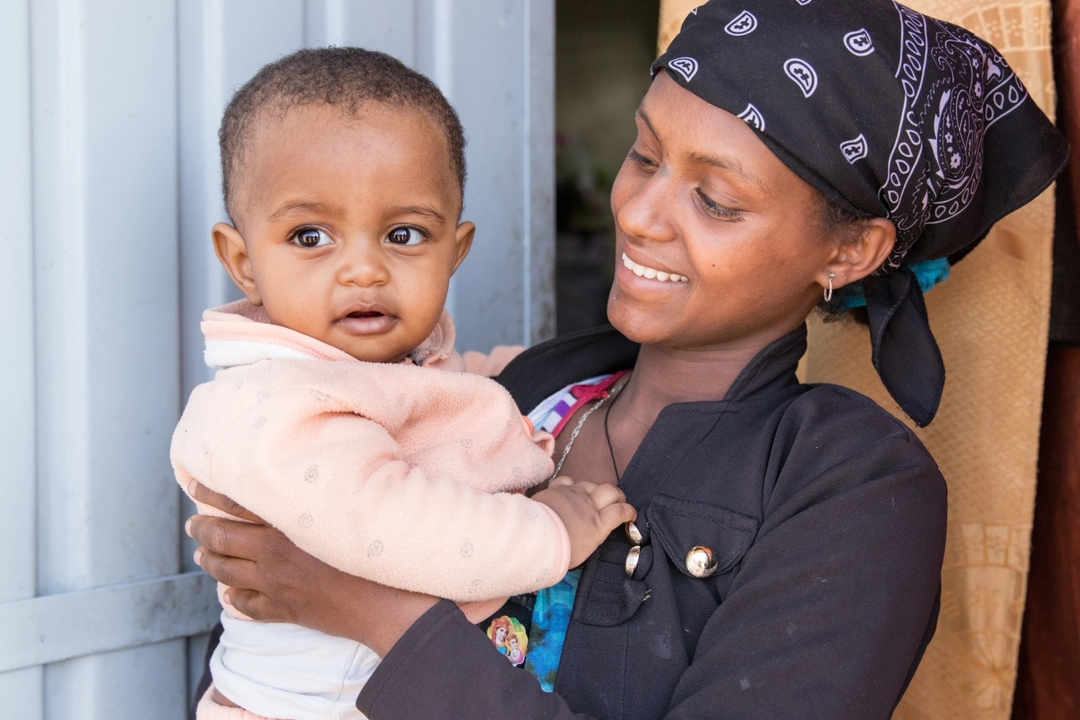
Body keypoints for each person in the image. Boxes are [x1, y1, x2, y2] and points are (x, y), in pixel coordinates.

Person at [186, 2, 1070, 718]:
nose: (641, 212)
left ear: (850, 252)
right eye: (644, 153)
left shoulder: (852, 483)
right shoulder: (520, 389)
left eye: (716, 200)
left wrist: (374, 614)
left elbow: (333, 599)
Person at [173, 47, 635, 720]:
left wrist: (546, 374)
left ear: (455, 249)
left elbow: (446, 398)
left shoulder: (368, 366)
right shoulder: (273, 406)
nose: (363, 269)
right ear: (243, 262)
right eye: (310, 236)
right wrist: (553, 531)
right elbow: (399, 526)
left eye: (402, 233)